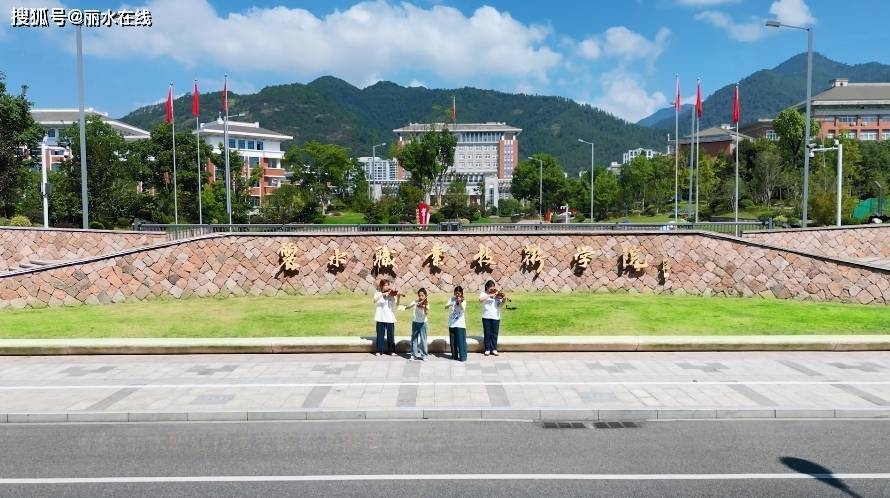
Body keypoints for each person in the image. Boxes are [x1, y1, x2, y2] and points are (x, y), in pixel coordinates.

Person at [372, 279, 399, 356]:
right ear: (381, 286)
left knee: (391, 335)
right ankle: (379, 351)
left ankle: (392, 351)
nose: (387, 287)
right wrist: (382, 295)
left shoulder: (391, 294)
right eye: (385, 285)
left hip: (390, 317)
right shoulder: (378, 293)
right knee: (380, 335)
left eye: (388, 285)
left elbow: (396, 304)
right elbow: (374, 300)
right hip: (380, 317)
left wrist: (397, 296)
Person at [479, 280, 505, 356]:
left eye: (493, 288)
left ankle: (494, 349)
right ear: (487, 287)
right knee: (487, 333)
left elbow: (499, 306)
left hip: (496, 316)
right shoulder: (483, 293)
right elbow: (480, 300)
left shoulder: (497, 294)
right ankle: (487, 349)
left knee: (494, 334)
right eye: (491, 289)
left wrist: (503, 301)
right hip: (486, 316)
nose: (492, 290)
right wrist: (489, 296)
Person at [402, 288, 429, 361]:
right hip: (415, 322)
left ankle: (424, 355)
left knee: (423, 339)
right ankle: (413, 355)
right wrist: (411, 305)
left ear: (425, 296)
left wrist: (424, 307)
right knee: (414, 339)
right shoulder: (415, 301)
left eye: (422, 296)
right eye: (419, 295)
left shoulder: (426, 303)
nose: (421, 297)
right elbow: (407, 307)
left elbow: (426, 313)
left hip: (423, 323)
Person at [446, 285, 467, 362]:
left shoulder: (463, 300)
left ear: (461, 293)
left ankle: (463, 357)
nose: (457, 295)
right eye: (456, 293)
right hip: (452, 323)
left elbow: (462, 309)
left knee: (461, 342)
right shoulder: (451, 299)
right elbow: (446, 306)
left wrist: (459, 302)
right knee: (453, 341)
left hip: (460, 324)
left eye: (459, 293)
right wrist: (451, 304)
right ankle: (454, 355)